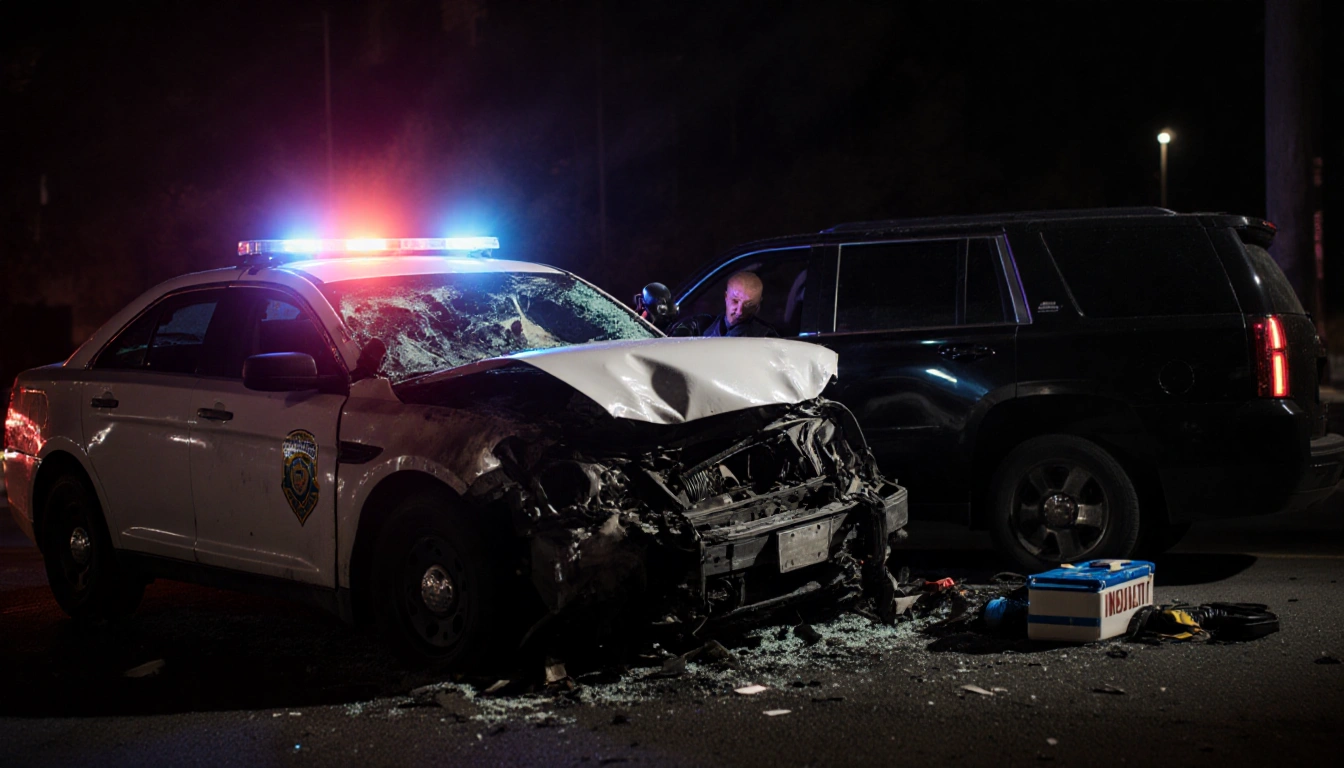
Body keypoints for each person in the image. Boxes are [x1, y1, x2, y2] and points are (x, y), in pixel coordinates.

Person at [703, 270, 777, 338]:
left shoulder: (766, 336)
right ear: (726, 296)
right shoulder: (700, 325)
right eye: (735, 301)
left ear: (757, 305)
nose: (739, 312)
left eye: (748, 304)